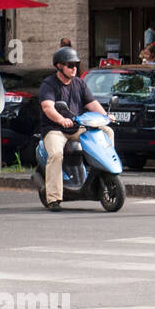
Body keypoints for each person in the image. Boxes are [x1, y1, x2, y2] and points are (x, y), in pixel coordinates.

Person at [37, 46, 110, 211]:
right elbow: (48, 107)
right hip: (55, 129)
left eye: (76, 64)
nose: (74, 68)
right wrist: (61, 120)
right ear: (59, 66)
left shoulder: (79, 83)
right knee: (55, 154)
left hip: (77, 127)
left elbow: (92, 104)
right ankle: (53, 198)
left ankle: (105, 173)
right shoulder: (49, 84)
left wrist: (105, 116)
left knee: (106, 131)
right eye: (70, 65)